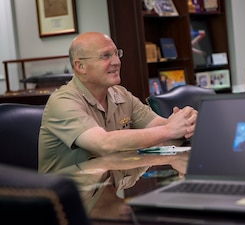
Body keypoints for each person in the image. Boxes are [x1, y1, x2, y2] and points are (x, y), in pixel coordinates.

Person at [38, 32, 197, 215]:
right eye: (106, 56)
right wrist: (171, 129)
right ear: (80, 66)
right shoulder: (62, 101)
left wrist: (186, 121)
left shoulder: (120, 94)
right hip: (66, 209)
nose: (116, 62)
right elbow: (103, 144)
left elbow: (161, 127)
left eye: (116, 54)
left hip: (109, 191)